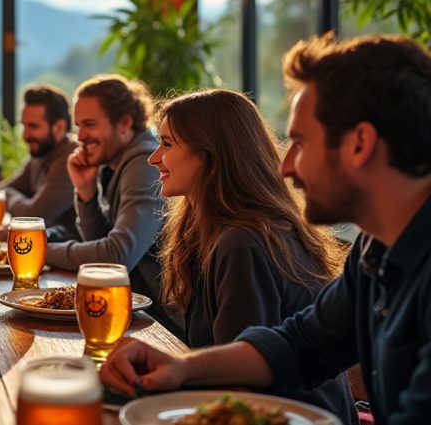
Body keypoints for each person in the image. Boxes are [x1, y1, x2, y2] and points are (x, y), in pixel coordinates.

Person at [100, 34, 431, 424]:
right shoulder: (375, 250)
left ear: (360, 144)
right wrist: (181, 367)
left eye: (301, 143)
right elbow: (301, 345)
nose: (286, 166)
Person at [147, 89, 356, 422]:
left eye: (168, 144)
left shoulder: (242, 243)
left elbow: (239, 390)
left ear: (211, 154)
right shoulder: (222, 230)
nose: (154, 157)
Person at [44, 75, 180, 334]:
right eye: (78, 126)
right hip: (136, 313)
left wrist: (40, 251)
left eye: (90, 124)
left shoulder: (144, 164)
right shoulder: (117, 164)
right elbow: (102, 240)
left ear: (125, 122)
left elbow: (116, 257)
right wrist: (86, 193)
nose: (80, 136)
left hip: (163, 326)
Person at [0, 84, 78, 242]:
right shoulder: (41, 153)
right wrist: (20, 200)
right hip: (42, 249)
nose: (25, 134)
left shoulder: (71, 158)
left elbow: (31, 218)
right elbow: (0, 191)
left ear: (59, 127)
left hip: (68, 258)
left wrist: (11, 198)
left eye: (33, 126)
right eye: (24, 125)